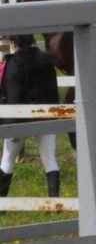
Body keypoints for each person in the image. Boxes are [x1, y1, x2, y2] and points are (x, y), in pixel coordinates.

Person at [0, 36, 61, 198]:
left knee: (7, 160)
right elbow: (53, 91)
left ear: (14, 43)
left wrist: (11, 126)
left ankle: (1, 204)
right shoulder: (46, 60)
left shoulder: (13, 63)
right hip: (45, 116)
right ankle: (55, 202)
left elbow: (13, 96)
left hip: (20, 120)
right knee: (49, 159)